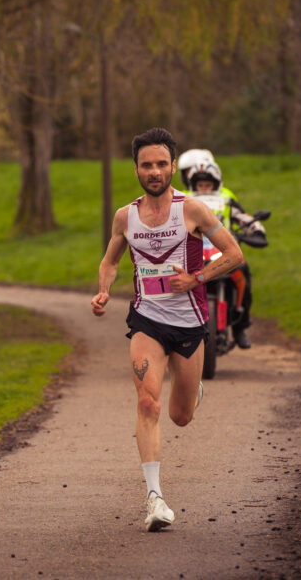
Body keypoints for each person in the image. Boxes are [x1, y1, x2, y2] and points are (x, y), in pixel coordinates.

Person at [91, 128, 245, 531]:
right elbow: (110, 260)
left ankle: (192, 392)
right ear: (136, 169)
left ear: (173, 166)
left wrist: (196, 278)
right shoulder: (125, 217)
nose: (155, 171)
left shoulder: (192, 210)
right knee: (148, 404)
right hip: (147, 320)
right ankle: (154, 499)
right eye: (147, 165)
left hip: (190, 323)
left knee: (180, 416)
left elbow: (234, 254)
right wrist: (104, 290)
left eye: (161, 164)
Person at [177, 149, 266, 349]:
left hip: (224, 252)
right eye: (200, 185)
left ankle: (241, 326)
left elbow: (243, 217)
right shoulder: (183, 199)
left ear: (216, 184)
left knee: (244, 273)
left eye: (208, 185)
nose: (204, 189)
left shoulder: (227, 197)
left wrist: (257, 230)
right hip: (193, 253)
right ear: (192, 184)